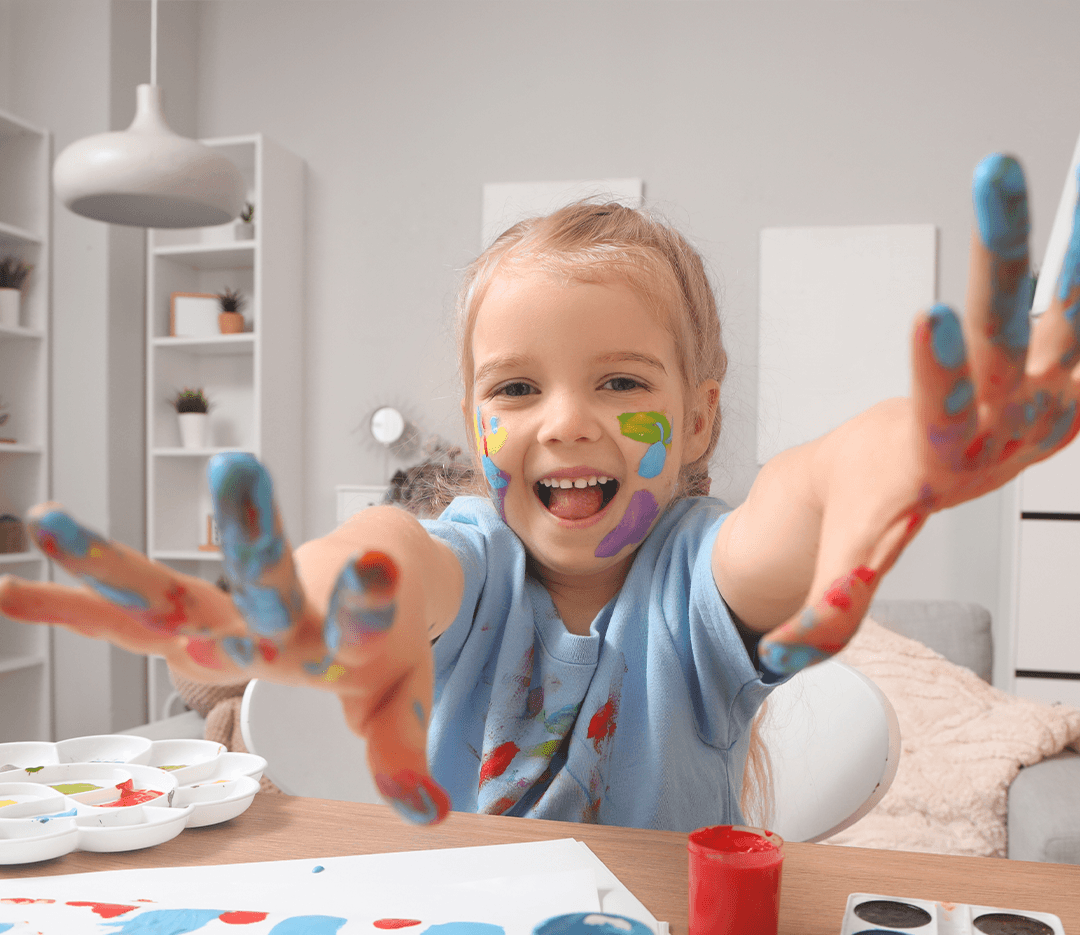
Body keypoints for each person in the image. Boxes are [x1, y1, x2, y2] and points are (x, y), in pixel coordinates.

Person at [2, 154, 1078, 831]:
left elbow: (804, 497)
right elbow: (392, 554)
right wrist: (280, 604)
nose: (564, 420)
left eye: (621, 382)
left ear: (698, 418)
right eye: (516, 387)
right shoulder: (473, 557)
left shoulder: (698, 579)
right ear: (476, 423)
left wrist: (915, 453)